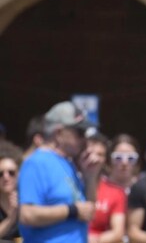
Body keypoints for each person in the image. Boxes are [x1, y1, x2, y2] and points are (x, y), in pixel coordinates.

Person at [18, 101, 103, 243]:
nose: (84, 139)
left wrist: (90, 177)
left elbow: (88, 211)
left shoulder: (68, 163)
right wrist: (72, 211)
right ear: (58, 133)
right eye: (79, 133)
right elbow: (27, 214)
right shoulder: (36, 163)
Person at [86, 133, 127, 243]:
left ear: (105, 160)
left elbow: (118, 233)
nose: (94, 158)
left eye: (100, 155)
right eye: (90, 153)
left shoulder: (116, 193)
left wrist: (92, 240)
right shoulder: (68, 184)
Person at [0, 140, 23, 240]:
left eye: (11, 172)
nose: (6, 177)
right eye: (0, 174)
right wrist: (11, 218)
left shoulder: (28, 197)